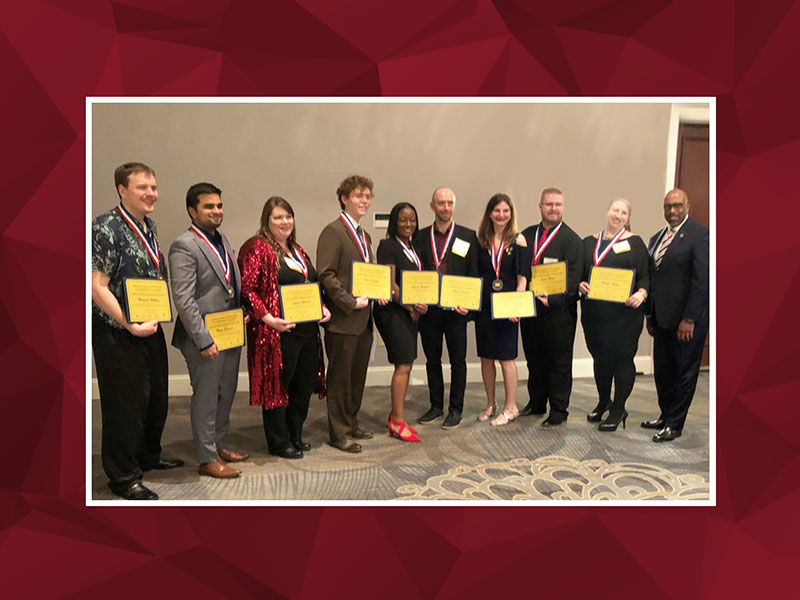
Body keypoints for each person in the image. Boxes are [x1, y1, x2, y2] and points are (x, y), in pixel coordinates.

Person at [91, 162, 183, 501]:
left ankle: (148, 455)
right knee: (124, 403)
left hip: (149, 325)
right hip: (117, 331)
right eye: (143, 187)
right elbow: (95, 286)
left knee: (155, 398)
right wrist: (129, 323)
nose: (151, 194)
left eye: (154, 187)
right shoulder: (105, 227)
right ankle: (123, 476)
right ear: (122, 190)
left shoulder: (149, 225)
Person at [239, 197, 330, 459]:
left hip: (306, 331)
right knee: (279, 388)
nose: (285, 222)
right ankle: (279, 441)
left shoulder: (298, 250)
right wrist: (267, 318)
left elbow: (311, 285)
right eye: (278, 217)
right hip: (277, 333)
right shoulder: (257, 247)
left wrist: (322, 307)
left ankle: (295, 434)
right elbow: (247, 289)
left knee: (302, 385)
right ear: (267, 220)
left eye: (288, 216)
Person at [169, 182, 248, 479]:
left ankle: (217, 444)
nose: (216, 211)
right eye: (209, 206)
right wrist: (203, 340)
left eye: (219, 206)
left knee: (225, 393)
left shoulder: (221, 240)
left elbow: (227, 285)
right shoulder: (184, 245)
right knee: (205, 397)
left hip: (228, 333)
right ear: (192, 210)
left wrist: (240, 314)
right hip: (204, 339)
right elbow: (184, 299)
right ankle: (206, 458)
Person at [317, 175, 381, 453]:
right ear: (344, 198)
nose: (364, 201)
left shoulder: (365, 236)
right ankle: (338, 432)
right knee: (340, 379)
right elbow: (326, 274)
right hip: (344, 319)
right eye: (358, 196)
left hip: (364, 320)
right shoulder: (333, 231)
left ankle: (351, 422)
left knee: (357, 376)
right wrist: (348, 302)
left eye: (368, 196)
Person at [579, 199, 651, 432]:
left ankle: (619, 408)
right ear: (607, 211)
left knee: (621, 360)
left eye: (623, 212)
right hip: (595, 315)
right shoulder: (589, 242)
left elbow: (646, 276)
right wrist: (581, 285)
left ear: (627, 218)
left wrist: (641, 293)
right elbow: (579, 274)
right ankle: (603, 401)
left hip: (625, 316)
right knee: (600, 359)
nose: (618, 215)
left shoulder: (635, 243)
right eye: (615, 210)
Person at [643, 189, 709, 442]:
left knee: (684, 372)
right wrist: (650, 315)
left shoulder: (700, 234)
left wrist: (690, 318)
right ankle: (665, 414)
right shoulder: (656, 237)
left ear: (687, 206)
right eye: (668, 206)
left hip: (687, 321)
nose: (672, 211)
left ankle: (675, 423)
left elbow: (702, 281)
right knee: (663, 370)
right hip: (661, 319)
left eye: (677, 206)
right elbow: (654, 278)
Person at [413, 187, 479, 429]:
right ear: (432, 206)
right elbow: (414, 274)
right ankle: (435, 406)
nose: (445, 207)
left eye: (449, 203)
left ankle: (456, 409)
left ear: (454, 205)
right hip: (429, 311)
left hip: (456, 312)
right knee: (432, 360)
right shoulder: (419, 237)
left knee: (458, 361)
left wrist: (470, 308)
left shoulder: (468, 236)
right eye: (441, 203)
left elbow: (473, 274)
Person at [519, 187, 583, 427]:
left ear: (563, 207)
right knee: (534, 360)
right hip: (530, 308)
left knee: (559, 362)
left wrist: (554, 300)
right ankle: (536, 402)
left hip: (558, 312)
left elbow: (575, 279)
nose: (553, 209)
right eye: (549, 204)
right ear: (540, 207)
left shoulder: (572, 240)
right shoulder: (526, 235)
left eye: (558, 204)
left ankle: (558, 409)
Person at [474, 193, 529, 426]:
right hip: (485, 307)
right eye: (497, 210)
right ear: (490, 213)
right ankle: (491, 403)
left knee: (506, 358)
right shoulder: (481, 241)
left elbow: (523, 277)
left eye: (506, 211)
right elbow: (476, 275)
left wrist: (516, 305)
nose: (501, 215)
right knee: (486, 357)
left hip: (507, 308)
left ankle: (511, 407)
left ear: (511, 214)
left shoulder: (519, 240)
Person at [374, 202, 427, 442]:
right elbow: (390, 284)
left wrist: (420, 304)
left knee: (407, 363)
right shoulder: (388, 245)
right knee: (403, 365)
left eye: (412, 220)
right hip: (393, 313)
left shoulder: (412, 247)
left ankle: (397, 415)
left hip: (408, 312)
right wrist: (411, 306)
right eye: (403, 220)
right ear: (394, 221)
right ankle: (397, 421)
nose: (408, 224)